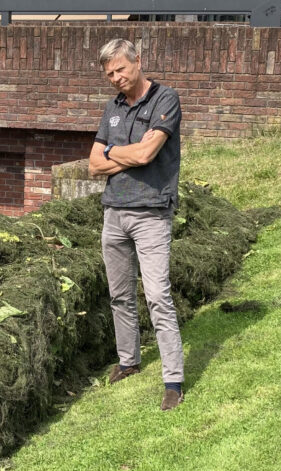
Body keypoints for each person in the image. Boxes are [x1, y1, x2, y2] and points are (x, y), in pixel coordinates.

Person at [87, 38, 184, 411]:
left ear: (138, 61)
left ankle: (173, 380)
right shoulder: (111, 108)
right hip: (113, 211)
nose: (115, 78)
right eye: (109, 73)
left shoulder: (165, 100)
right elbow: (94, 164)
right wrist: (118, 154)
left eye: (120, 69)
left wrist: (115, 154)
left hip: (151, 213)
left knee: (157, 295)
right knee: (120, 294)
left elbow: (148, 152)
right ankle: (129, 360)